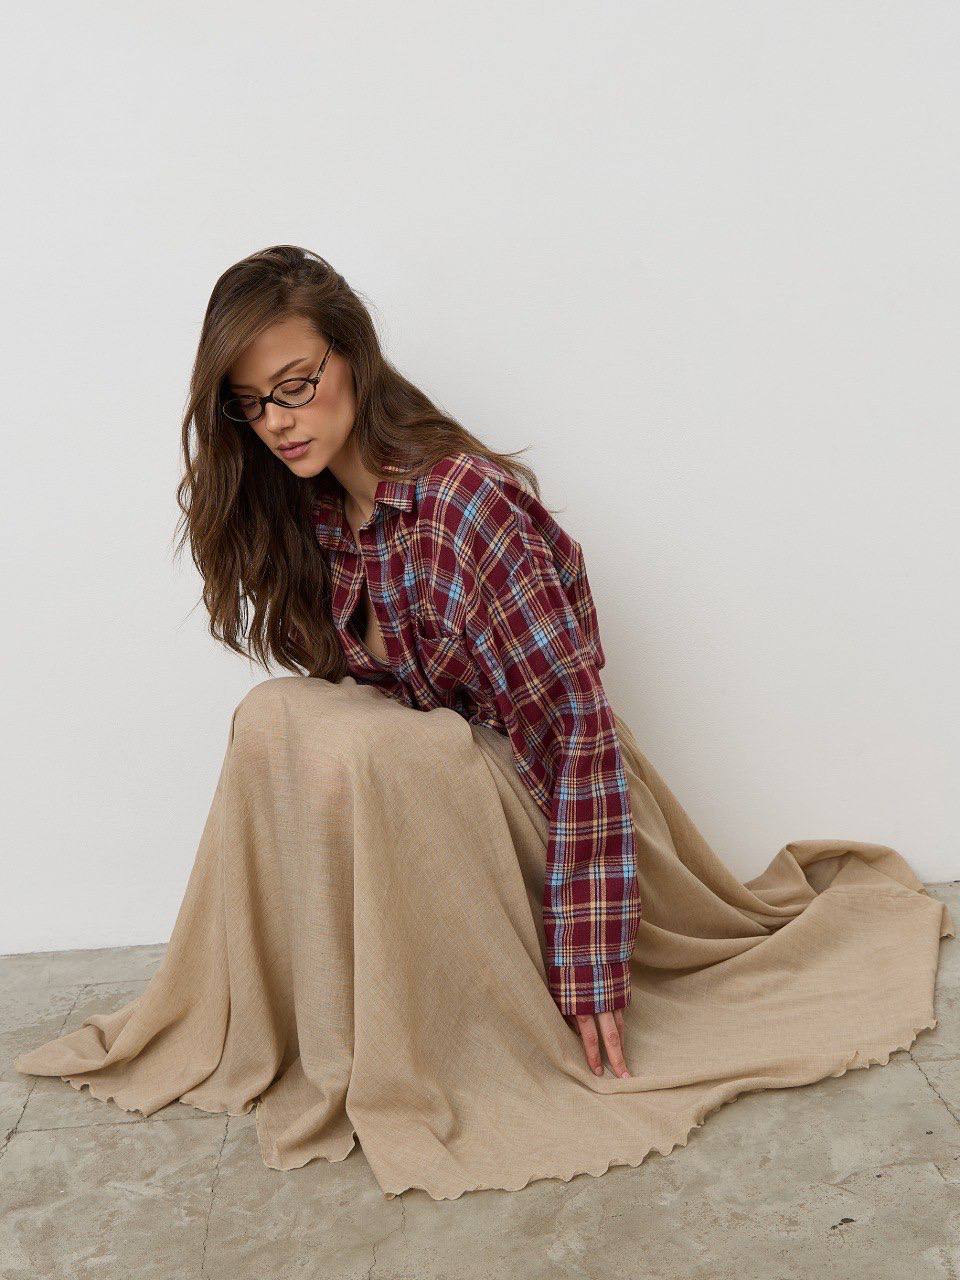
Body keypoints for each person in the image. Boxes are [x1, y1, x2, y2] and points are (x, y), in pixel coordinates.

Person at [14, 244, 954, 1201]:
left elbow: (579, 741)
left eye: (296, 386)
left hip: (558, 808)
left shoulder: (467, 508)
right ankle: (323, 1015)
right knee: (276, 716)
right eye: (251, 405)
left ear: (354, 358)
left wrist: (589, 965)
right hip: (450, 813)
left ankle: (470, 1031)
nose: (278, 422)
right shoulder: (321, 513)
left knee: (374, 747)